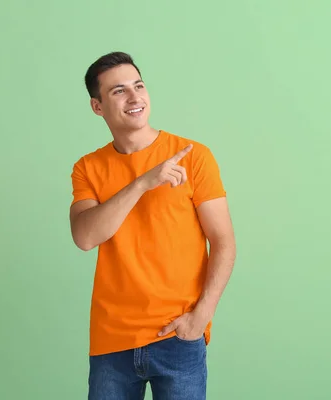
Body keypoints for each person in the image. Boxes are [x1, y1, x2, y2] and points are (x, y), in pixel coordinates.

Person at [69, 51, 236, 400]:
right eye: (118, 91)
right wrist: (142, 183)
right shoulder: (88, 168)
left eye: (138, 86)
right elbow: (86, 237)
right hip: (111, 340)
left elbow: (223, 242)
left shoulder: (194, 156)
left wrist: (200, 319)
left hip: (178, 335)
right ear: (97, 107)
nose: (135, 97)